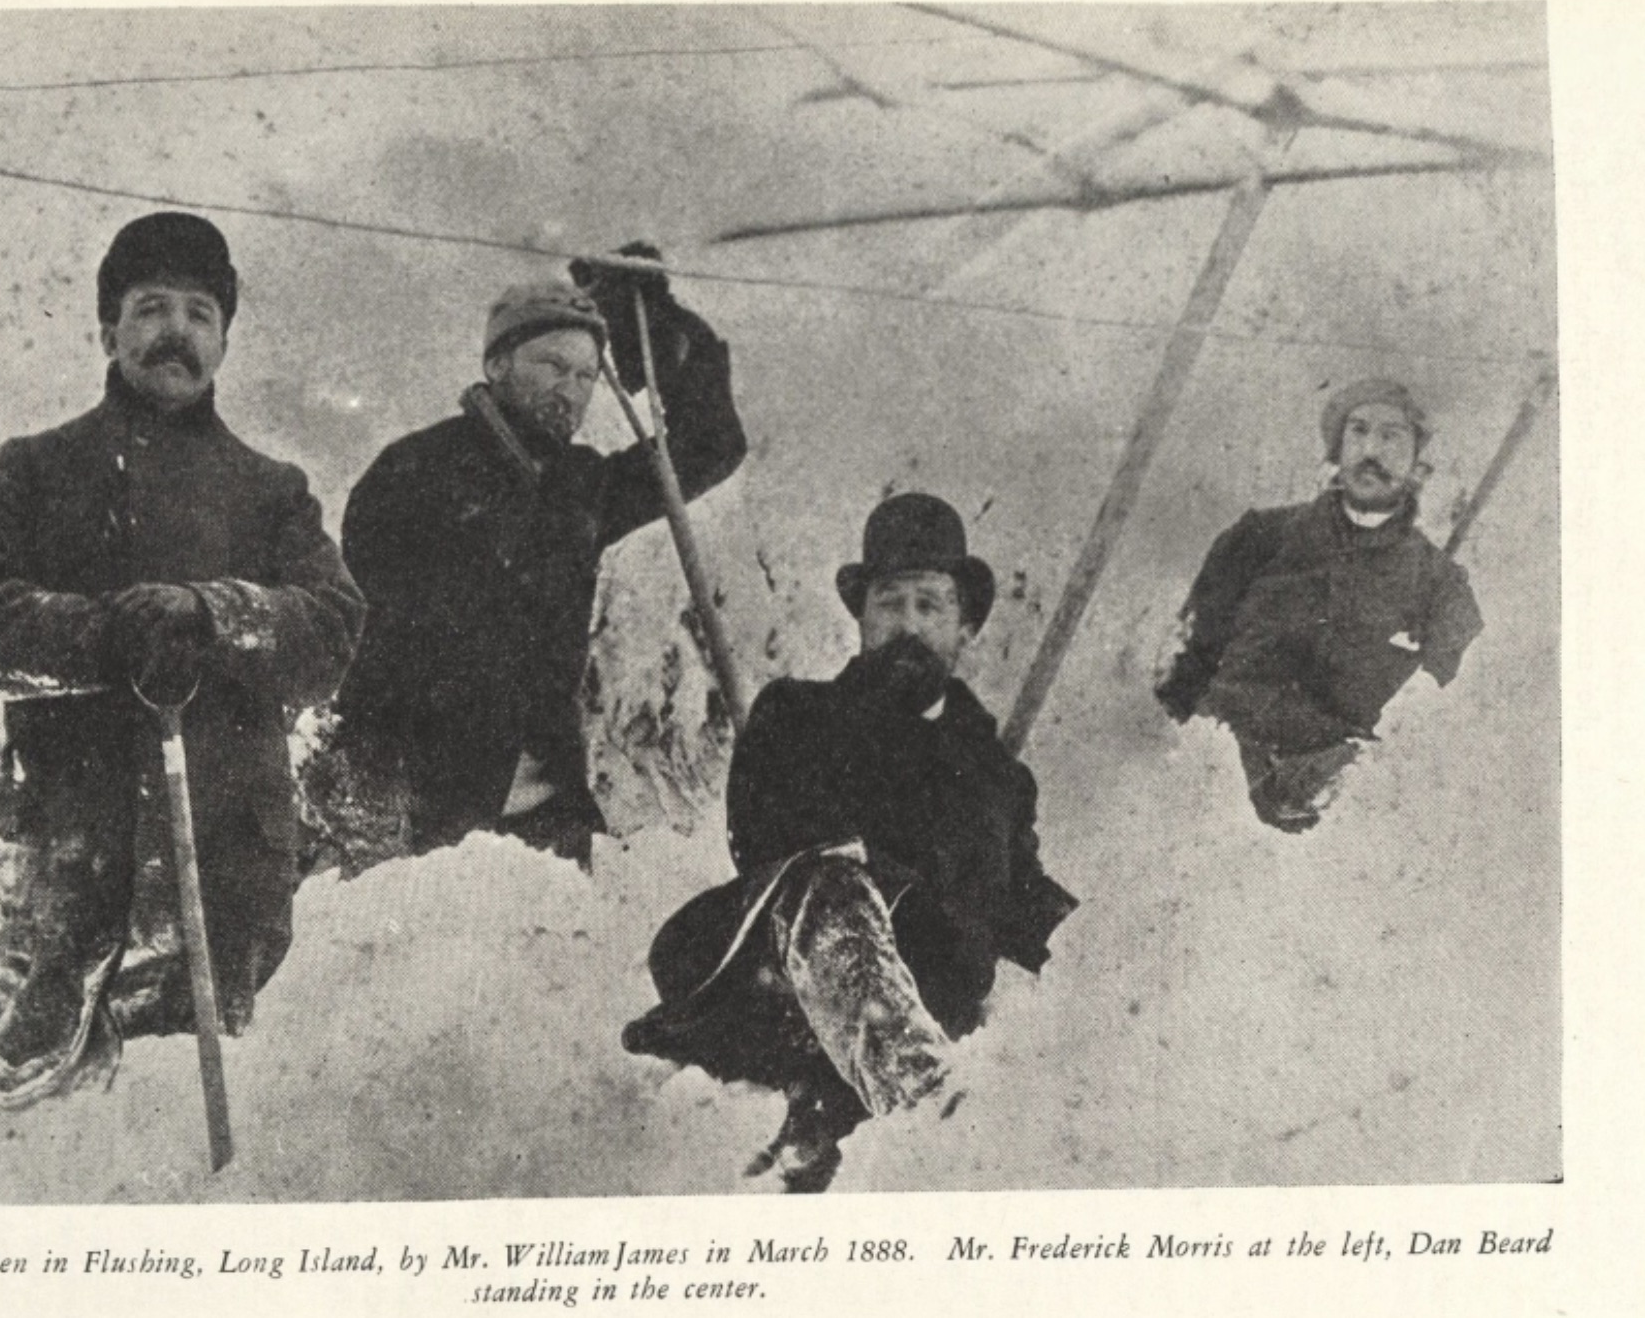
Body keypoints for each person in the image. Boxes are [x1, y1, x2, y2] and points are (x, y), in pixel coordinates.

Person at [0, 212, 365, 1089]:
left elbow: (331, 635)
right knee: (23, 1114)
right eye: (152, 307)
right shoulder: (38, 472)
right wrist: (103, 635)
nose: (177, 332)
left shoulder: (273, 493)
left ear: (225, 342)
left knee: (215, 1125)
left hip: (229, 876)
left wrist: (215, 615)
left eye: (201, 313)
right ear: (107, 330)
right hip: (69, 867)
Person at [622, 493, 1076, 1192]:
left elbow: (1021, 906)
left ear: (964, 628)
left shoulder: (997, 778)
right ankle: (932, 1114)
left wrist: (1107, 941)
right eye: (890, 604)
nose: (909, 626)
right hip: (786, 988)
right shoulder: (799, 716)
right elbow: (769, 842)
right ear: (862, 618)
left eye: (931, 606)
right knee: (832, 881)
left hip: (925, 995)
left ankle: (872, 1108)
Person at [326, 248, 746, 868]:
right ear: (497, 363)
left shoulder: (578, 486)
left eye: (585, 376)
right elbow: (375, 646)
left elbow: (712, 444)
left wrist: (654, 318)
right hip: (424, 809)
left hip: (548, 817)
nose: (571, 393)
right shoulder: (411, 473)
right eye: (552, 366)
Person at [1155, 379, 1483, 832]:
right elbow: (1184, 668)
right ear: (1335, 449)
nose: (1371, 449)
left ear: (1416, 466)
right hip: (1216, 780)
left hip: (1345, 810)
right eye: (1358, 431)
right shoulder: (1259, 537)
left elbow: (1427, 721)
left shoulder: (1440, 585)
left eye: (1391, 436)